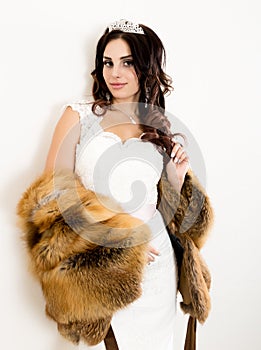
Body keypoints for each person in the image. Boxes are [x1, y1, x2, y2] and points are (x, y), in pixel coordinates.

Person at [18, 19, 212, 350]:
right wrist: (115, 240)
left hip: (159, 268)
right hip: (103, 270)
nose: (115, 73)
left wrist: (177, 181)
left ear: (146, 67)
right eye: (108, 62)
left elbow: (170, 213)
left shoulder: (155, 126)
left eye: (127, 62)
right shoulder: (78, 115)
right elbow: (49, 203)